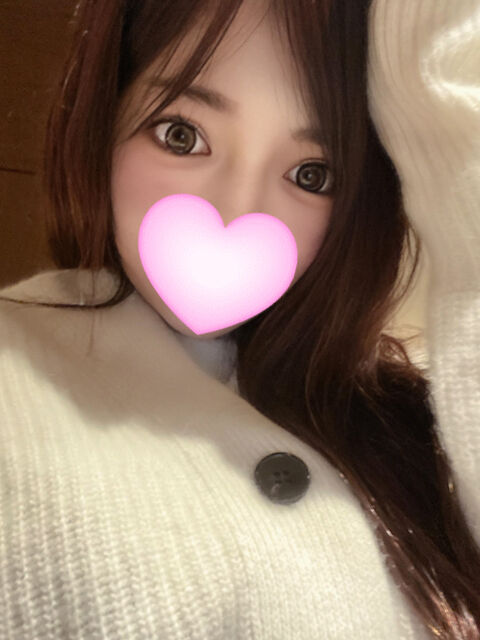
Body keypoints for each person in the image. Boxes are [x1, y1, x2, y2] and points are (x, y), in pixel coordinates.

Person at [0, 0, 479, 638]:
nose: (236, 212)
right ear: (107, 118)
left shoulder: (415, 421)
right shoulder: (16, 368)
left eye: (312, 174)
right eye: (180, 134)